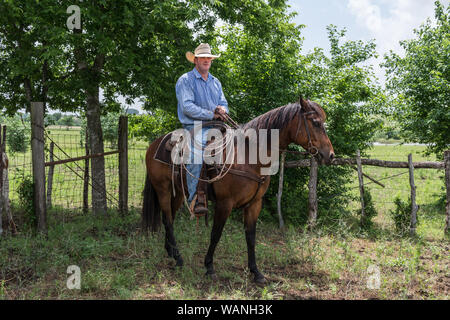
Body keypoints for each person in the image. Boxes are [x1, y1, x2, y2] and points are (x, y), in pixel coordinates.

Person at [175, 43, 228, 216]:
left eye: (209, 58)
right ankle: (195, 199)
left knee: (239, 142)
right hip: (194, 126)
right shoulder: (186, 80)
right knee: (198, 153)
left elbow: (224, 102)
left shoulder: (215, 82)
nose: (206, 60)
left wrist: (222, 110)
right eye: (203, 58)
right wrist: (211, 114)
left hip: (217, 124)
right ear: (195, 60)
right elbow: (187, 107)